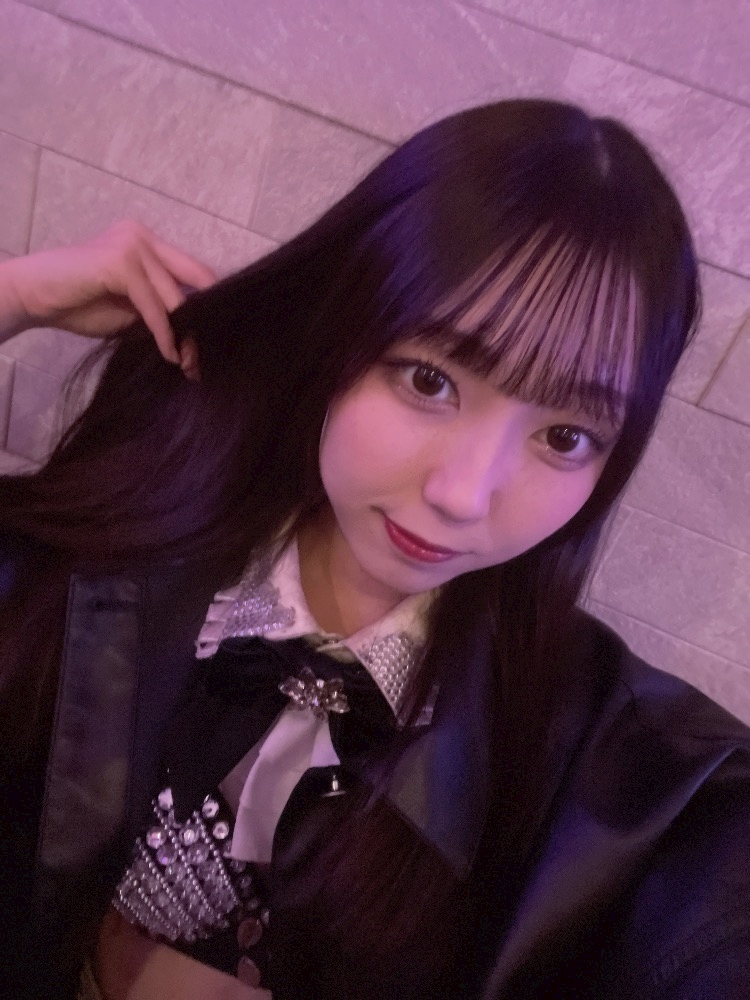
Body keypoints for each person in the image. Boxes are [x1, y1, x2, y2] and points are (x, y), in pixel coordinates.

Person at [0, 99, 748, 1000]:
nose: (463, 495)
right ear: (338, 333)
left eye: (565, 437)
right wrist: (15, 296)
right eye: (430, 379)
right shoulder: (127, 531)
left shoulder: (612, 772)